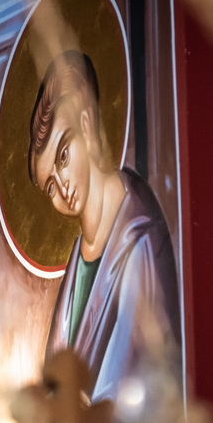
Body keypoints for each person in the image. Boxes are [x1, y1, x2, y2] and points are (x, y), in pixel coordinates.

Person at [28, 51, 181, 404]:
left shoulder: (138, 235)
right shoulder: (77, 258)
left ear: (85, 124)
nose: (63, 186)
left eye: (63, 156)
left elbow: (129, 380)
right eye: (50, 186)